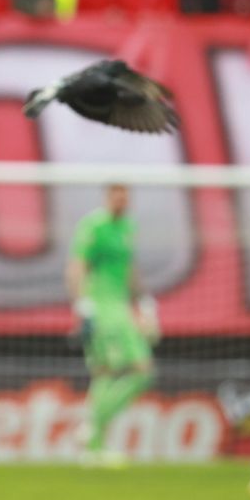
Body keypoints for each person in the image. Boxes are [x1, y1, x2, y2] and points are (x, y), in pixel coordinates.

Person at [68, 184, 158, 466]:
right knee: (141, 369)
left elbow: (129, 269)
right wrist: (82, 305)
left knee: (105, 374)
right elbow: (77, 266)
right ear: (107, 198)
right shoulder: (94, 226)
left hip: (122, 307)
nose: (122, 201)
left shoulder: (128, 227)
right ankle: (92, 427)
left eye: (125, 197)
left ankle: (93, 446)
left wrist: (144, 302)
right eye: (117, 197)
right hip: (102, 308)